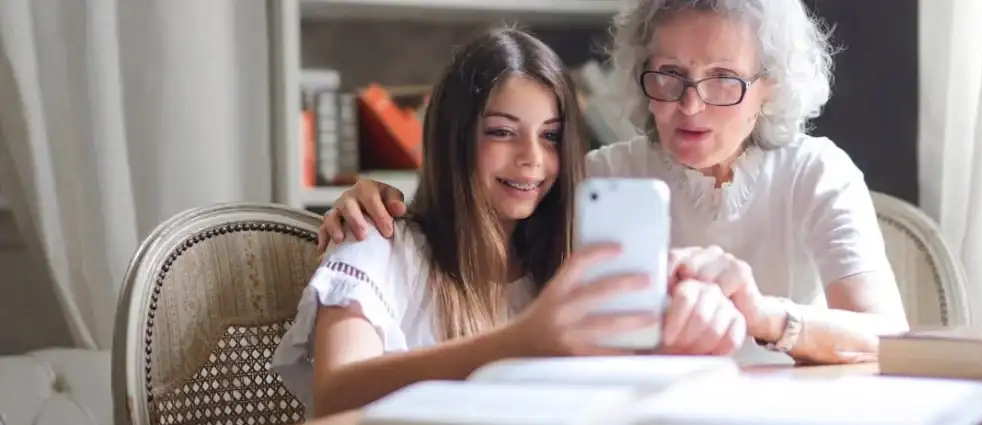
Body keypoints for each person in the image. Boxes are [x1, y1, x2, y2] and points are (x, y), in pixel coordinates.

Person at [317, 0, 911, 367]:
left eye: (723, 79)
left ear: (770, 88)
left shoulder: (816, 171)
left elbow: (890, 338)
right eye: (669, 76)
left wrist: (764, 316)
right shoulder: (599, 177)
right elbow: (483, 220)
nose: (689, 106)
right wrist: (375, 199)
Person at [272, 27, 748, 419]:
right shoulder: (376, 241)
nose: (532, 160)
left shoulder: (564, 265)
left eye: (551, 137)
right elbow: (335, 394)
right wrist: (518, 343)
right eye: (502, 132)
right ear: (453, 138)